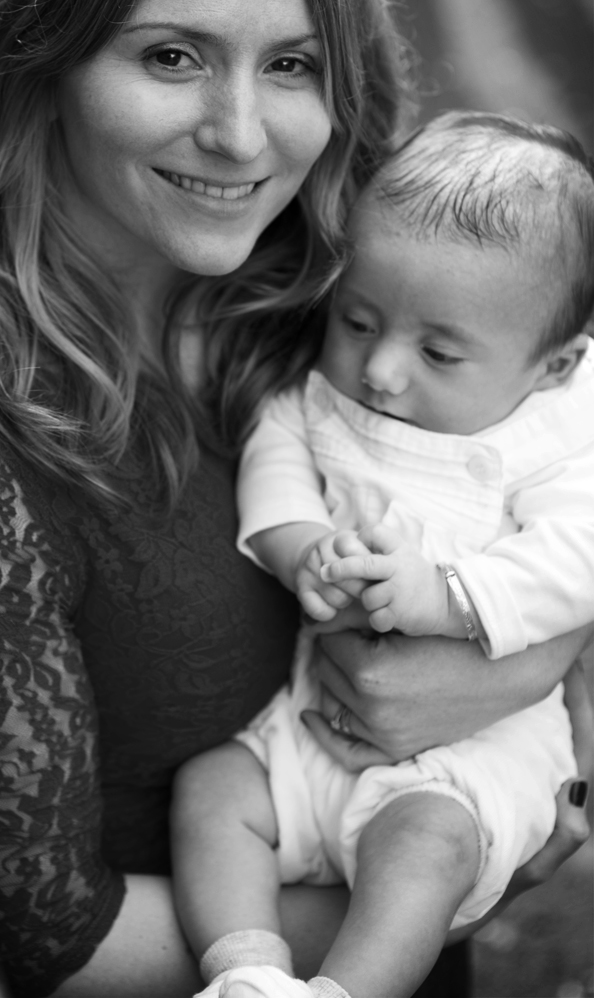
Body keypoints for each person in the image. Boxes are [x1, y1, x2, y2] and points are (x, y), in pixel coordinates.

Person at [0, 0, 592, 998]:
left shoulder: (340, 275)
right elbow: (53, 939)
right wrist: (428, 902)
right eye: (171, 56)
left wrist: (512, 675)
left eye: (290, 64)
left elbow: (557, 463)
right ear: (44, 58)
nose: (242, 136)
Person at [171, 111, 594, 998]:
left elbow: (577, 559)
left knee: (426, 849)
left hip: (466, 758)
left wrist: (446, 593)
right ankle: (246, 972)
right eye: (359, 320)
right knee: (214, 789)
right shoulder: (322, 396)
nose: (383, 370)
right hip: (309, 725)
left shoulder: (558, 438)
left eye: (438, 351)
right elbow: (278, 457)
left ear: (554, 366)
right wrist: (302, 549)